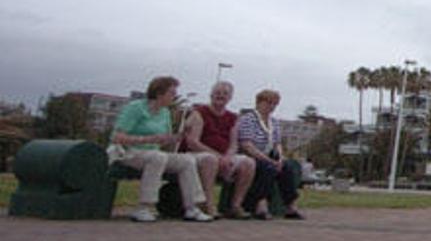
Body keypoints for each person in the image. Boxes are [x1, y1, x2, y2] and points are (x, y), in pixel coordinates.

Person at [112, 75, 213, 222]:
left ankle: (192, 207)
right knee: (157, 157)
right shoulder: (136, 108)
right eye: (172, 93)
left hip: (155, 153)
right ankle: (144, 207)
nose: (175, 96)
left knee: (187, 160)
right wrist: (146, 139)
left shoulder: (165, 113)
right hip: (130, 152)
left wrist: (179, 136)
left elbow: (165, 142)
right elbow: (117, 137)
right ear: (159, 94)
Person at [182, 80, 256, 219]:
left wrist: (228, 157)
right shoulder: (199, 113)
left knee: (248, 163)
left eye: (225, 93)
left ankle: (235, 205)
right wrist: (218, 156)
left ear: (230, 98)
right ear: (211, 95)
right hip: (199, 154)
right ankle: (209, 204)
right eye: (217, 92)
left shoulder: (233, 118)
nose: (220, 96)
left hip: (223, 156)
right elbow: (193, 142)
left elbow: (234, 143)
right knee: (210, 160)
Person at [238, 89, 303, 219]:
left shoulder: (274, 122)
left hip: (270, 155)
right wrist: (267, 159)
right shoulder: (248, 119)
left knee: (287, 167)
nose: (271, 107)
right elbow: (246, 144)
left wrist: (279, 157)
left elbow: (277, 143)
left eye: (274, 104)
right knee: (266, 168)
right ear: (259, 103)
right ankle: (260, 204)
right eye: (268, 103)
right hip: (253, 155)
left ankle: (290, 205)